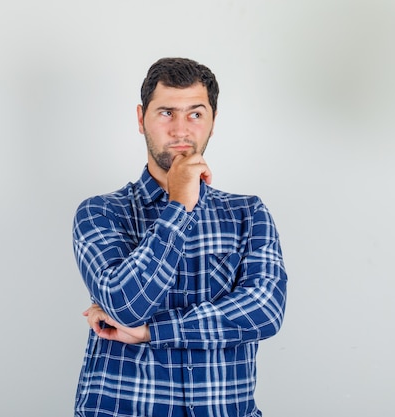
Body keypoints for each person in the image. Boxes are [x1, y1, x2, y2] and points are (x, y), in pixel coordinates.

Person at [72, 57, 287, 417]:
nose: (180, 130)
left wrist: (149, 332)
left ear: (213, 122)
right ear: (141, 119)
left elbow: (264, 312)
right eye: (166, 113)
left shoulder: (248, 213)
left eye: (195, 114)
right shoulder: (100, 212)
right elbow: (125, 305)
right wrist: (179, 205)